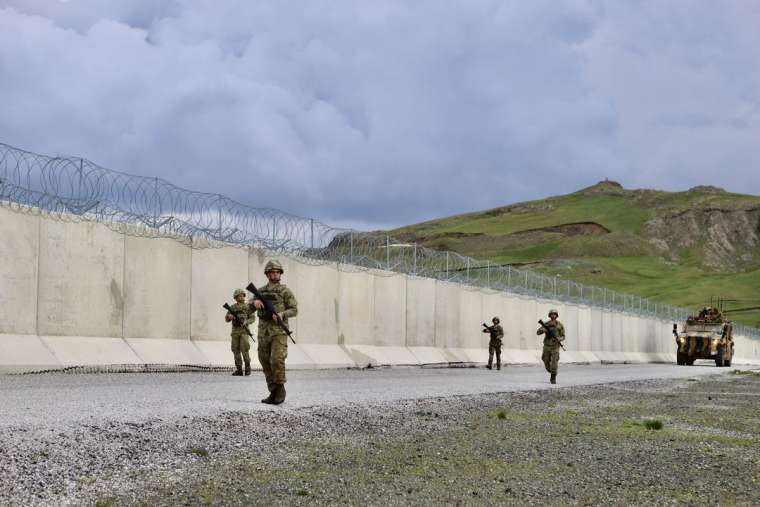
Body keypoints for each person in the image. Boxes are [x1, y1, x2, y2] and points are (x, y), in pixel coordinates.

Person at [251, 260, 298, 405]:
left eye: (277, 272)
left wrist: (282, 314)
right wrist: (254, 303)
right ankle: (273, 390)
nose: (274, 274)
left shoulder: (285, 291)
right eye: (272, 272)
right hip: (263, 332)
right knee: (264, 360)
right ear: (267, 274)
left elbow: (294, 309)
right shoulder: (260, 291)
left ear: (280, 274)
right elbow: (249, 308)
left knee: (276, 360)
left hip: (278, 331)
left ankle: (280, 389)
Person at [225, 288, 255, 376]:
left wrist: (246, 322)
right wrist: (229, 316)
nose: (241, 297)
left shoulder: (247, 307)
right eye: (239, 296)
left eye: (242, 295)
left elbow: (252, 318)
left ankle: (247, 368)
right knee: (235, 350)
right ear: (235, 297)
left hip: (244, 331)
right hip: (235, 331)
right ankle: (239, 369)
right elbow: (226, 318)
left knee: (244, 349)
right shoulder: (232, 307)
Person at [537, 309, 565, 384]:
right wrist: (543, 330)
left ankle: (553, 376)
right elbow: (538, 332)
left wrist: (559, 339)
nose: (553, 315)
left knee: (554, 361)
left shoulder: (560, 325)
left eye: (554, 314)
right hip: (547, 345)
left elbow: (563, 336)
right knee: (545, 359)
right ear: (549, 315)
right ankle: (552, 371)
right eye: (551, 314)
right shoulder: (546, 324)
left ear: (556, 315)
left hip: (555, 345)